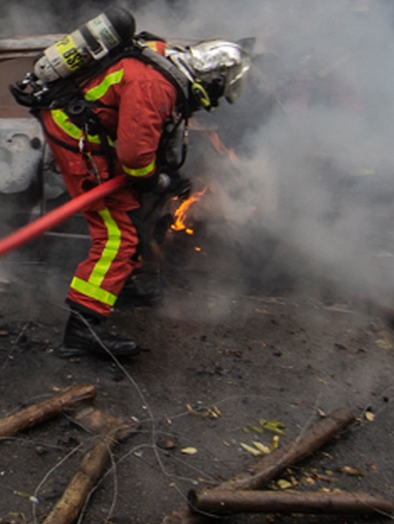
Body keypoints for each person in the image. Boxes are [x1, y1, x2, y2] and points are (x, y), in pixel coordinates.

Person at [15, 33, 251, 360]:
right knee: (117, 234)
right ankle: (83, 327)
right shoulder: (155, 85)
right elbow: (136, 160)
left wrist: (162, 174)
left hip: (85, 126)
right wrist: (163, 180)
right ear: (209, 79)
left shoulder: (162, 62)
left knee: (130, 210)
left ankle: (122, 285)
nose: (210, 103)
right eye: (215, 94)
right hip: (75, 135)